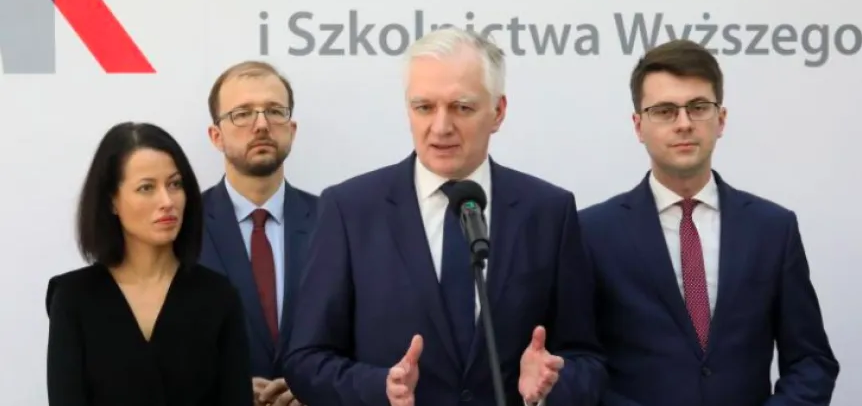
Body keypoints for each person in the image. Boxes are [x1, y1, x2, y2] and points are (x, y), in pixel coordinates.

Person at [283, 27, 607, 406]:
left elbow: (589, 361)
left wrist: (550, 387)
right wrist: (380, 388)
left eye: (462, 107)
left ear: (498, 112)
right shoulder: (349, 210)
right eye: (424, 107)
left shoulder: (548, 212)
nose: (440, 127)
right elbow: (305, 361)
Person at [579, 39, 839, 406]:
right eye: (665, 110)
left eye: (698, 107)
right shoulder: (592, 233)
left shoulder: (773, 230)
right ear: (639, 125)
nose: (684, 124)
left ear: (721, 119)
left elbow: (811, 361)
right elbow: (579, 365)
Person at [45, 122, 253, 406]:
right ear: (112, 201)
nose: (167, 201)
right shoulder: (73, 297)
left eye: (175, 184)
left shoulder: (218, 296)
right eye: (146, 188)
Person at [199, 61, 318, 406]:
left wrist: (316, 388)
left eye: (274, 111)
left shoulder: (334, 222)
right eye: (243, 114)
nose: (262, 124)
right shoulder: (183, 228)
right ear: (216, 135)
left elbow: (358, 335)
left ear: (292, 129)